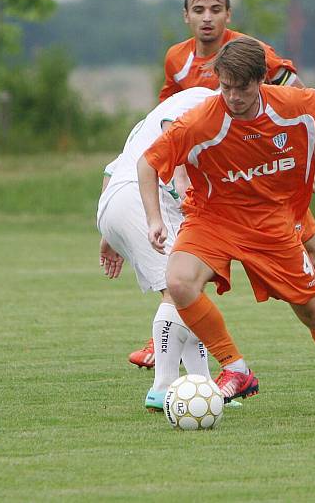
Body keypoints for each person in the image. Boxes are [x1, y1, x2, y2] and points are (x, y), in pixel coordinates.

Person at [129, 0, 315, 374]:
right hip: (218, 190)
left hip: (270, 186)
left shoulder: (251, 52)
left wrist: (299, 156)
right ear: (186, 16)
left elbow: (304, 100)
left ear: (228, 14)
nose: (208, 18)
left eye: (216, 9)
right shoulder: (177, 59)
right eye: (199, 10)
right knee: (184, 266)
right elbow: (172, 119)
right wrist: (182, 172)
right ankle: (172, 338)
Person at [98, 87, 218, 411]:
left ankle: (203, 387)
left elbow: (114, 167)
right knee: (177, 290)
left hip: (118, 200)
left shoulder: (149, 120)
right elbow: (173, 128)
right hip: (143, 199)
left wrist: (110, 232)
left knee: (190, 293)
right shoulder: (204, 99)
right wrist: (181, 180)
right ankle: (162, 389)